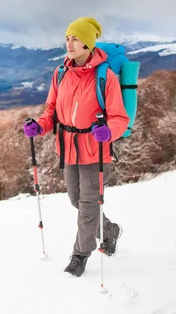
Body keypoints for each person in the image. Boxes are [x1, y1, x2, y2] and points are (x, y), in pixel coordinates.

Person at [23, 17, 130, 277]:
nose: (69, 43)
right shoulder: (61, 73)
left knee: (88, 204)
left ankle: (80, 255)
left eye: (76, 39)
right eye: (67, 38)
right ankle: (110, 230)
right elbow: (52, 110)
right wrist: (40, 125)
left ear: (88, 43)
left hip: (95, 150)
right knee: (76, 200)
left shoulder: (106, 77)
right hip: (68, 148)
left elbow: (119, 118)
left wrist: (109, 131)